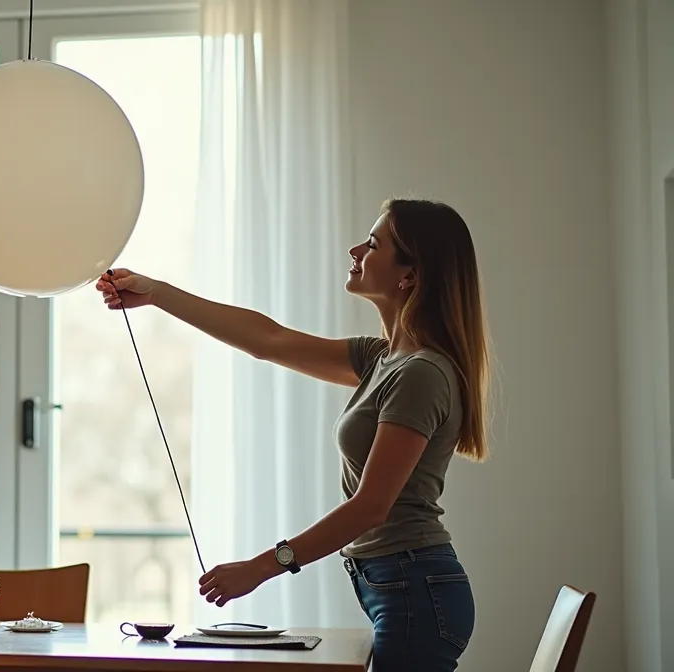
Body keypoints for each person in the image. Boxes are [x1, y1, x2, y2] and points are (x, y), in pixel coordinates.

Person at [97, 198, 488, 671]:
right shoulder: (384, 361)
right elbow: (268, 341)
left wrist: (260, 568)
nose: (354, 250)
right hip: (399, 584)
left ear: (410, 275)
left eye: (372, 244)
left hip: (414, 587)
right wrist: (156, 293)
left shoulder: (421, 373)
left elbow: (371, 507)